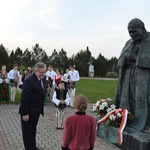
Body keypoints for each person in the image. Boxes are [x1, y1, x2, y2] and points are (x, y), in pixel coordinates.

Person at [115, 18, 150, 131]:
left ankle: (144, 123)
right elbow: (120, 60)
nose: (131, 34)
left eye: (134, 31)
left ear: (142, 29)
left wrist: (136, 59)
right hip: (129, 77)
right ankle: (127, 119)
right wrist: (125, 60)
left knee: (144, 100)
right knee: (129, 98)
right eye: (129, 31)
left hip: (145, 79)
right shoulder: (128, 43)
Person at [19, 62, 47, 150]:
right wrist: (25, 113)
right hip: (28, 112)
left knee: (33, 130)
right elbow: (24, 98)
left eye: (44, 72)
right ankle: (28, 148)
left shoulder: (42, 78)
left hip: (36, 111)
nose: (43, 74)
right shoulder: (29, 80)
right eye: (41, 72)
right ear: (35, 71)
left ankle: (33, 146)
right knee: (27, 132)